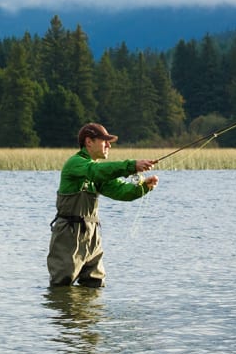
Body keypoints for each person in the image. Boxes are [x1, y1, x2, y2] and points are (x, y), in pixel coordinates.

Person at [47, 122, 158, 287]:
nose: (109, 145)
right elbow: (95, 171)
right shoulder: (75, 163)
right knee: (62, 285)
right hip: (69, 235)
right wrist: (131, 165)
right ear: (89, 142)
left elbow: (120, 190)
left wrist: (143, 187)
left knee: (95, 283)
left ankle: (91, 313)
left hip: (92, 236)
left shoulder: (96, 170)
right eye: (104, 141)